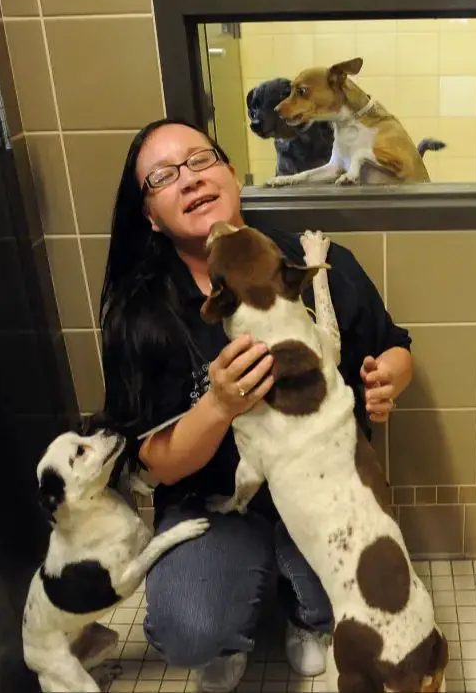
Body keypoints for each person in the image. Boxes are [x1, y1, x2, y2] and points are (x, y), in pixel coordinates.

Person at [96, 117, 413, 692]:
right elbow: (154, 462)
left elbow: (395, 347)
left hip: (321, 493)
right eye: (163, 176)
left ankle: (301, 610)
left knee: (357, 605)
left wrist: (387, 377)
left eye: (200, 160)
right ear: (149, 216)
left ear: (231, 173)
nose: (189, 180)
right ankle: (236, 617)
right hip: (216, 501)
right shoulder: (142, 311)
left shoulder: (306, 266)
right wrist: (218, 406)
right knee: (191, 630)